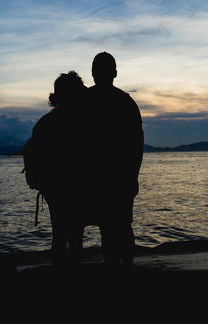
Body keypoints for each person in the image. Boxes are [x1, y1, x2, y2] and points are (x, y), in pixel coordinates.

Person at [86, 52, 144, 270]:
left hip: (99, 177)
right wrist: (133, 176)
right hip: (119, 176)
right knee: (120, 225)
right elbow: (137, 145)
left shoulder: (85, 101)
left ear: (93, 73)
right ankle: (124, 268)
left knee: (107, 226)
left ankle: (114, 267)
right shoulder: (126, 103)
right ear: (115, 73)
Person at [30, 71, 87, 270]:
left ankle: (60, 275)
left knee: (59, 234)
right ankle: (71, 273)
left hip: (53, 189)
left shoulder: (45, 123)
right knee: (75, 235)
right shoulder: (84, 123)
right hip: (77, 187)